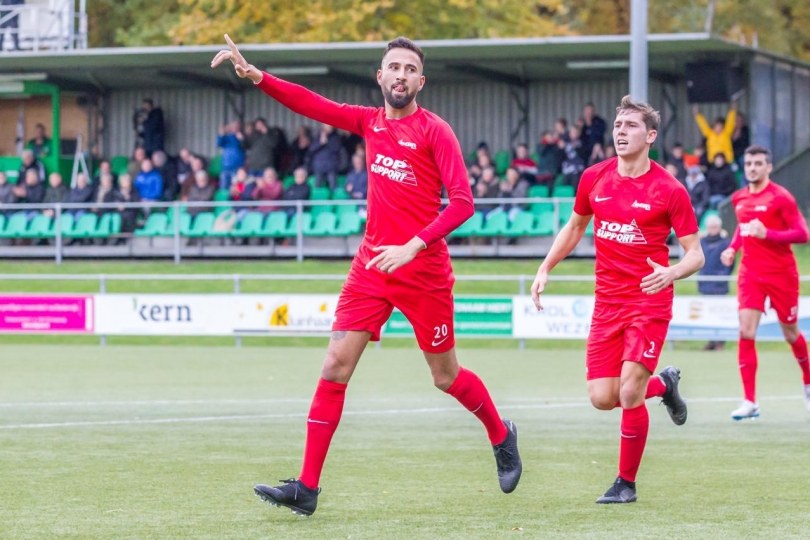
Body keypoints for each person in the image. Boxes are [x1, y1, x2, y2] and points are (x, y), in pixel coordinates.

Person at [212, 34, 521, 516]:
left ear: (421, 81)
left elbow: (463, 203)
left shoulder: (436, 131)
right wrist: (258, 77)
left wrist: (414, 245)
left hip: (424, 273)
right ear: (380, 76)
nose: (401, 75)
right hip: (372, 268)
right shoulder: (368, 121)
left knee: (445, 377)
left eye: (410, 69)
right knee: (335, 366)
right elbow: (312, 104)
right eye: (393, 67)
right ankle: (306, 488)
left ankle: (501, 435)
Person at [530, 95, 704, 504]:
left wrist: (671, 272)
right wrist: (545, 267)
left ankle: (626, 483)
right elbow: (575, 227)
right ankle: (665, 385)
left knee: (628, 394)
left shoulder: (669, 189)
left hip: (649, 301)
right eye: (617, 125)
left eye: (630, 125)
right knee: (602, 398)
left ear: (651, 136)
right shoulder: (595, 177)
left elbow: (695, 253)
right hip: (607, 304)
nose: (621, 132)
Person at [720, 145, 810, 420]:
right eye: (749, 163)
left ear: (768, 167)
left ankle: (808, 382)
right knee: (746, 331)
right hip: (750, 274)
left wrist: (768, 233)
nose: (752, 168)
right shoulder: (739, 198)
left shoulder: (781, 198)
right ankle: (750, 402)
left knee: (790, 333)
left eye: (758, 163)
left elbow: (803, 234)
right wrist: (732, 249)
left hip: (782, 275)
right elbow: (742, 227)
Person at [698, 214, 734, 351]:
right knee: (707, 314)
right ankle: (711, 341)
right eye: (711, 227)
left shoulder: (726, 242)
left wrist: (723, 275)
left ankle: (720, 342)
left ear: (719, 227)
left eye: (715, 227)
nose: (713, 229)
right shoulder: (702, 242)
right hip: (705, 283)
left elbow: (730, 263)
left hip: (720, 285)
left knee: (720, 314)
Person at [692, 100, 736, 164]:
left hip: (727, 160)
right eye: (717, 126)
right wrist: (697, 114)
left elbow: (730, 121)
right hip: (713, 161)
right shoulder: (709, 133)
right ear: (714, 127)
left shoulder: (726, 133)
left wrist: (733, 110)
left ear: (723, 127)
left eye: (720, 127)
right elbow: (703, 125)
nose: (718, 128)